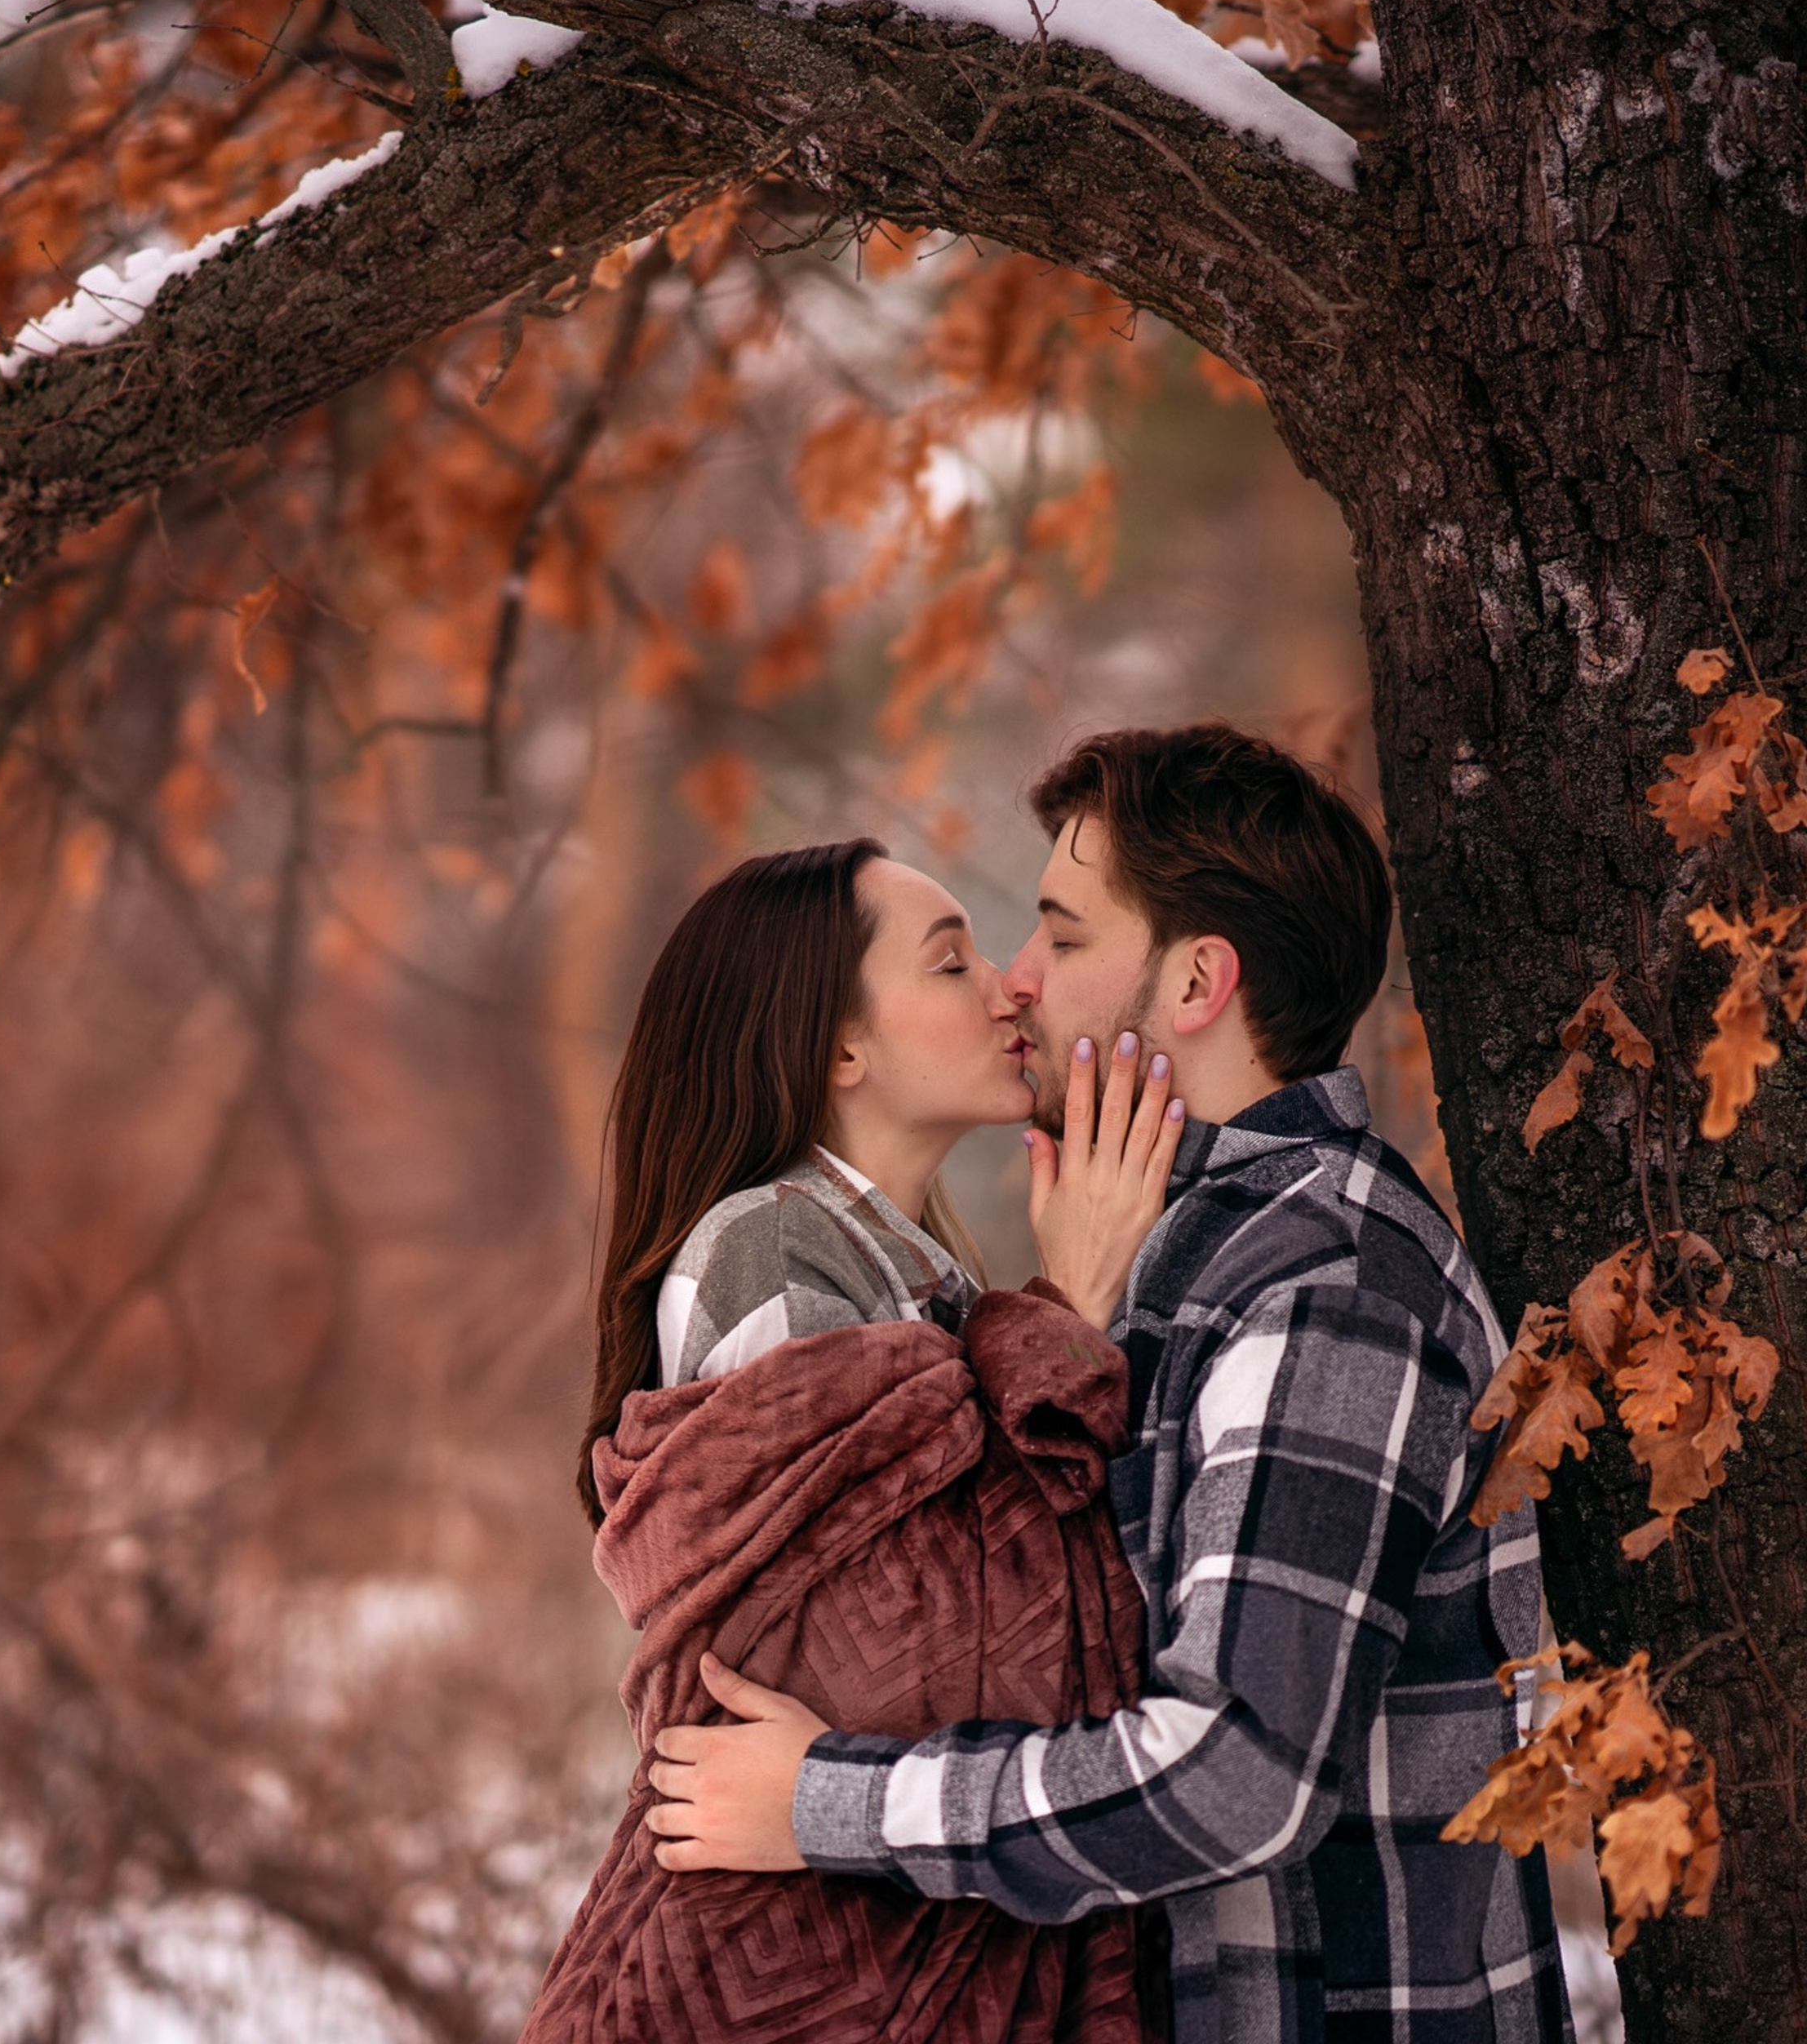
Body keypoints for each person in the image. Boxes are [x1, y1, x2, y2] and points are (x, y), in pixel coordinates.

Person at [643, 726, 1573, 2044]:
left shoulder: (1329, 1287)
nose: (1019, 980)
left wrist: (823, 1802)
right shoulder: (1184, 1257)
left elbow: (1240, 1772)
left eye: (1063, 935)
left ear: (1195, 982)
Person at [522, 839, 1184, 2042]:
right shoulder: (773, 1246)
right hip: (798, 1967)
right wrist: (1070, 1314)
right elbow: (903, 1658)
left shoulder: (917, 1273)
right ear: (840, 1049)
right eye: (949, 964)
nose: (1010, 986)